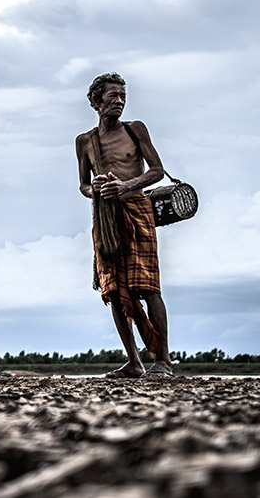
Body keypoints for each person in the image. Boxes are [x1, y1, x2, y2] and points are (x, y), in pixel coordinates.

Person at [75, 72, 173, 378]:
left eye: (122, 96)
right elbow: (83, 186)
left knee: (147, 286)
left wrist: (126, 185)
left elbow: (157, 171)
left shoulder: (135, 130)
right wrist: (98, 190)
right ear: (95, 101)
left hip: (137, 211)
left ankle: (163, 361)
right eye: (112, 96)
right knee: (114, 289)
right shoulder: (84, 142)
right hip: (105, 219)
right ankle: (134, 361)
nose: (119, 101)